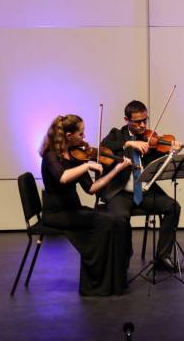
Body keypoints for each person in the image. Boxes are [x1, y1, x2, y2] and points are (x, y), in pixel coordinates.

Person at [40, 114, 133, 296]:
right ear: (69, 136)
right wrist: (87, 166)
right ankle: (95, 285)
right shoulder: (51, 156)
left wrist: (116, 169)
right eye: (81, 134)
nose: (84, 137)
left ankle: (115, 280)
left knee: (117, 220)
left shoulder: (74, 155)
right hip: (57, 213)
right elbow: (63, 177)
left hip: (74, 210)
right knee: (104, 222)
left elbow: (91, 188)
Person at [100, 100, 183, 272]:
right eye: (138, 122)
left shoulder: (150, 139)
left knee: (173, 207)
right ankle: (123, 257)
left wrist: (172, 153)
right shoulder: (116, 135)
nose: (143, 125)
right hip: (121, 192)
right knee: (120, 218)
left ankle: (162, 257)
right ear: (126, 120)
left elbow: (157, 165)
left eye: (145, 120)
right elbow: (103, 148)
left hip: (144, 191)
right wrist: (128, 144)